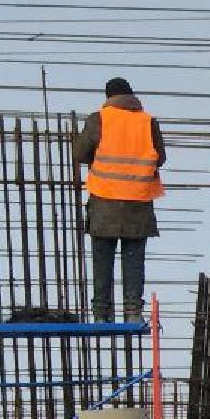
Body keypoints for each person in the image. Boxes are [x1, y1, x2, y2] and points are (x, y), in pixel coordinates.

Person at [74, 78, 166, 324]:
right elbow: (161, 158)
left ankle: (101, 314)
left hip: (104, 201)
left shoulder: (99, 119)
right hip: (138, 203)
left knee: (102, 260)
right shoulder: (148, 122)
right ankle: (133, 311)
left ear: (108, 97)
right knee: (133, 261)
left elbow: (80, 153)